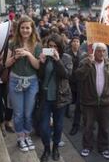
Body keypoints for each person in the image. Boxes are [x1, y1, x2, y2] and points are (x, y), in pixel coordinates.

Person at [5, 15, 41, 152]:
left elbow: (37, 66)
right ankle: (20, 137)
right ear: (19, 29)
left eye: (28, 28)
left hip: (31, 82)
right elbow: (6, 63)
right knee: (18, 113)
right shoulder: (12, 44)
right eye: (23, 27)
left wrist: (28, 54)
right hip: (15, 81)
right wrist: (15, 57)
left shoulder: (37, 44)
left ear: (32, 29)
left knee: (28, 113)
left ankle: (27, 135)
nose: (25, 30)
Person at [77, 43, 109, 160]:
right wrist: (88, 64)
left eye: (104, 51)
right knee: (88, 126)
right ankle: (87, 146)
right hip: (89, 102)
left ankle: (104, 147)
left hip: (107, 103)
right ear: (94, 52)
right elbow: (78, 77)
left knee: (104, 128)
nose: (102, 53)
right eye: (99, 51)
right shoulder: (86, 62)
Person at [38, 33, 73, 162]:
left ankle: (55, 148)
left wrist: (58, 60)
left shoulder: (66, 58)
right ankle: (47, 148)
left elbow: (66, 75)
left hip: (60, 97)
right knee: (43, 127)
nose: (52, 49)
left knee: (58, 126)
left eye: (55, 47)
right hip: (46, 97)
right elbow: (41, 76)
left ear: (60, 47)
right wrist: (41, 63)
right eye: (50, 46)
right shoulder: (46, 57)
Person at [66, 35, 86, 135]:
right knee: (69, 100)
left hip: (79, 82)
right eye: (74, 41)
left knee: (78, 104)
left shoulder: (82, 54)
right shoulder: (67, 54)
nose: (76, 43)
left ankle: (76, 124)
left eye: (77, 41)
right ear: (71, 43)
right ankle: (66, 111)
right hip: (69, 81)